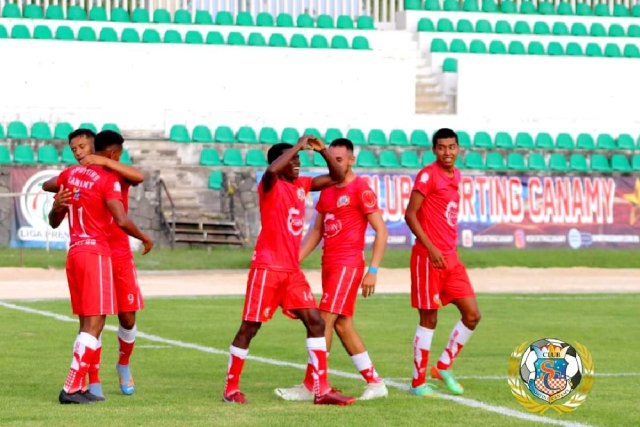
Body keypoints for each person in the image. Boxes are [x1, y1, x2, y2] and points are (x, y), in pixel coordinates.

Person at [222, 135, 356, 406]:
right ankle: (231, 389)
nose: (297, 164)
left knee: (316, 322)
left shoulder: (301, 185)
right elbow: (272, 170)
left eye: (298, 159)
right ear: (280, 162)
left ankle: (321, 390)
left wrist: (320, 151)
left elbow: (338, 174)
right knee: (250, 327)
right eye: (292, 160)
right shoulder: (269, 184)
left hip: (291, 270)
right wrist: (296, 145)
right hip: (267, 267)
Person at [275, 138, 389, 401]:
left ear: (351, 160)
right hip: (330, 265)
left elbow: (381, 231)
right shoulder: (326, 189)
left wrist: (373, 270)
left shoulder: (361, 188)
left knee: (323, 321)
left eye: (339, 159)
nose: (334, 163)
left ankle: (309, 385)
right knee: (343, 326)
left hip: (348, 265)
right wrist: (294, 259)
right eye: (331, 159)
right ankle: (375, 382)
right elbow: (316, 231)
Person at [47, 129, 153, 404]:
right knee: (93, 320)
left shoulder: (113, 174)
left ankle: (122, 365)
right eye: (76, 149)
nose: (80, 153)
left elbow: (139, 177)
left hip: (113, 255)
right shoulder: (80, 175)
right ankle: (88, 383)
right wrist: (144, 237)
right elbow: (118, 218)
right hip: (97, 252)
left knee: (125, 317)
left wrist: (103, 163)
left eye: (83, 147)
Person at [403, 128, 481, 397]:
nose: (447, 152)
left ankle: (443, 366)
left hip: (451, 258)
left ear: (458, 148)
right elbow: (410, 215)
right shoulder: (427, 175)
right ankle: (417, 383)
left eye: (452, 147)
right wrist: (431, 247)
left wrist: (444, 250)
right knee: (429, 319)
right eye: (441, 147)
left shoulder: (456, 175)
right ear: (434, 150)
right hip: (428, 258)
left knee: (472, 315)